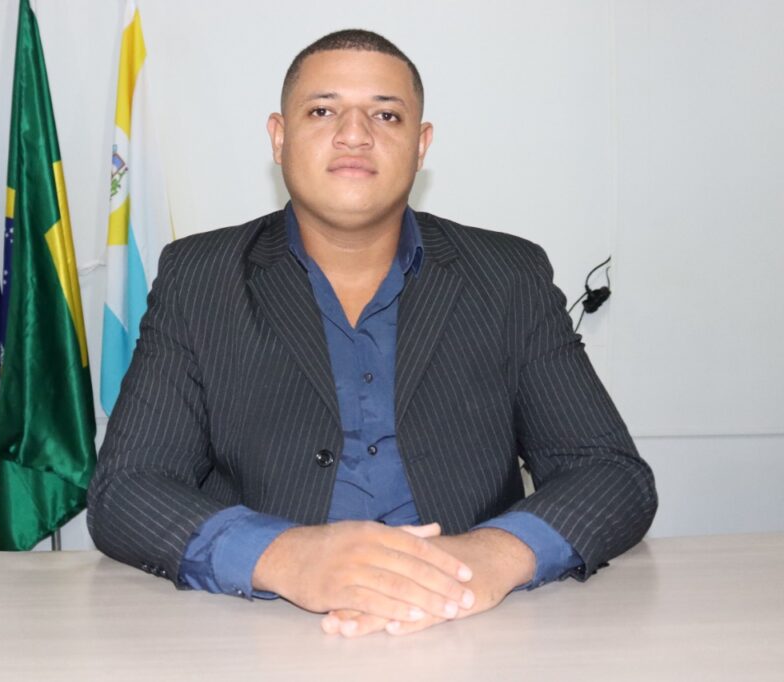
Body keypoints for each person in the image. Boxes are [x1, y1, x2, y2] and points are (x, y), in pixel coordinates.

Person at [87, 29, 657, 638]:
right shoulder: (199, 277)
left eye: (386, 115)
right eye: (322, 111)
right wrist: (285, 556)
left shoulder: (507, 276)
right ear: (279, 138)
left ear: (421, 144)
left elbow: (609, 472)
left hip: (473, 624)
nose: (354, 134)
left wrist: (491, 557)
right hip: (262, 627)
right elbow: (127, 489)